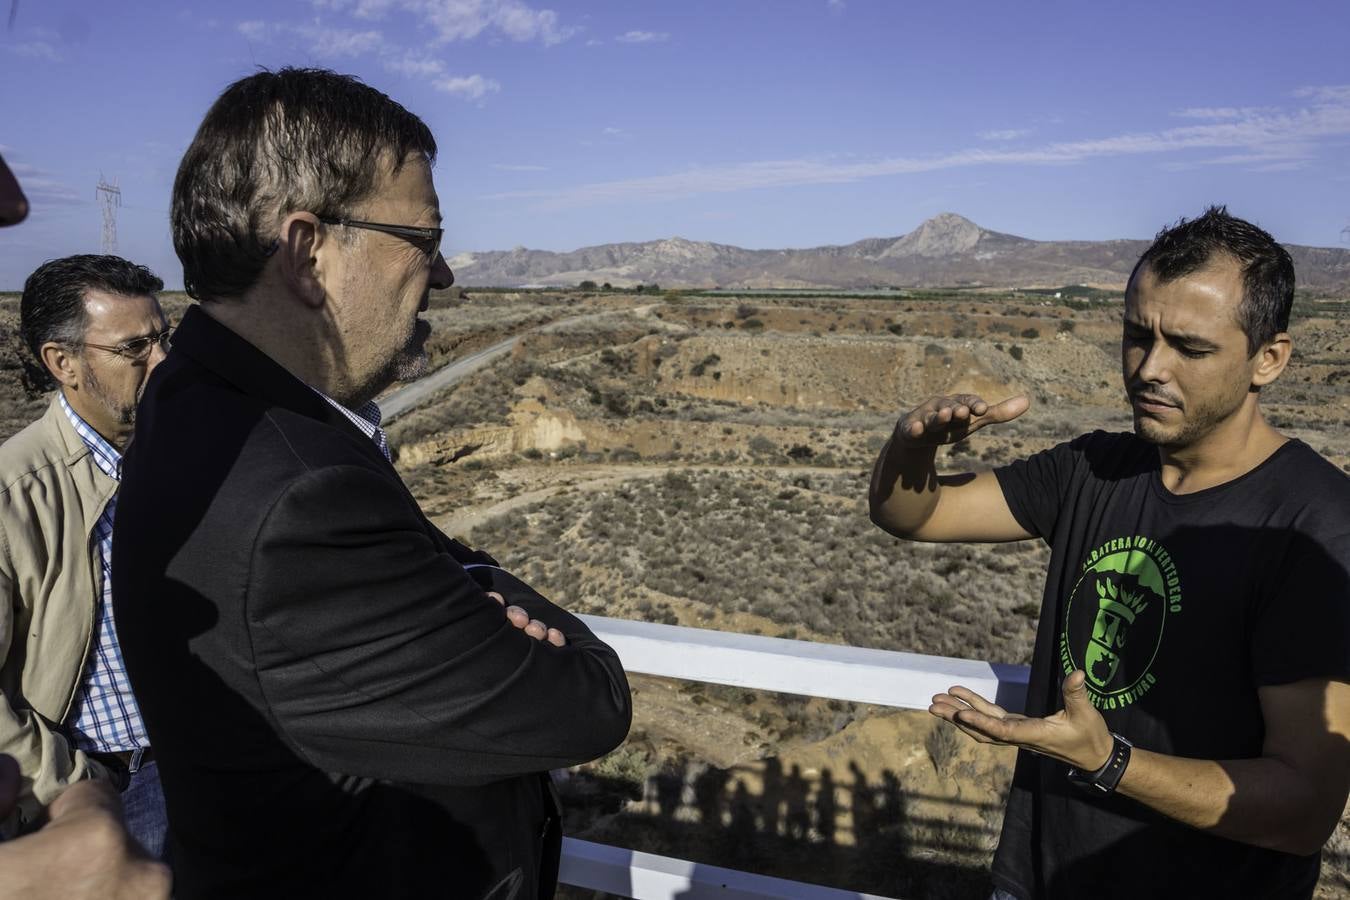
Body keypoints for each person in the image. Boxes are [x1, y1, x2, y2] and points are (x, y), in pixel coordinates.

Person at [111, 67, 632, 900]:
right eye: (423, 242)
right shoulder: (302, 496)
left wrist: (447, 585)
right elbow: (586, 704)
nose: (447, 275)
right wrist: (477, 584)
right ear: (309, 250)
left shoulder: (191, 396)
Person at [869, 207, 1350, 899]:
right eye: (1136, 335)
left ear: (1267, 360)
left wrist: (1108, 761)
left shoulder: (1315, 527)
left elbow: (1303, 809)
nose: (1151, 369)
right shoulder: (1094, 469)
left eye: (1190, 347)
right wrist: (911, 445)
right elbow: (914, 514)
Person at [0, 142, 169, 897]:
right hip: (95, 792)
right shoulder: (13, 493)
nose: (162, 360)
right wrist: (72, 788)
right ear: (64, 364)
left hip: (201, 761)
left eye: (165, 337)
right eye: (136, 348)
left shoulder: (177, 453)